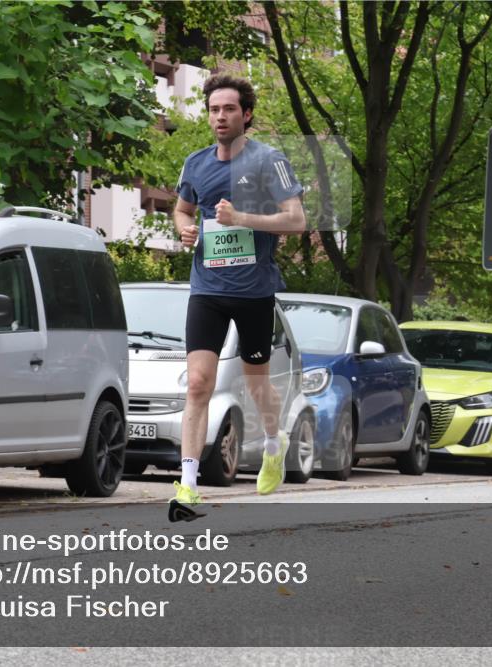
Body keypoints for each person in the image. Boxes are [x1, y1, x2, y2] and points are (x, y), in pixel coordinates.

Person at [169, 73, 306, 518]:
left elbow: (296, 220)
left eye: (229, 109)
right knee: (197, 383)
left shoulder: (269, 161)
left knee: (256, 383)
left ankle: (273, 441)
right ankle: (188, 485)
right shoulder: (195, 163)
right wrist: (184, 230)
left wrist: (242, 218)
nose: (220, 116)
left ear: (246, 114)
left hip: (254, 291)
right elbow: (182, 209)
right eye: (214, 109)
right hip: (207, 288)